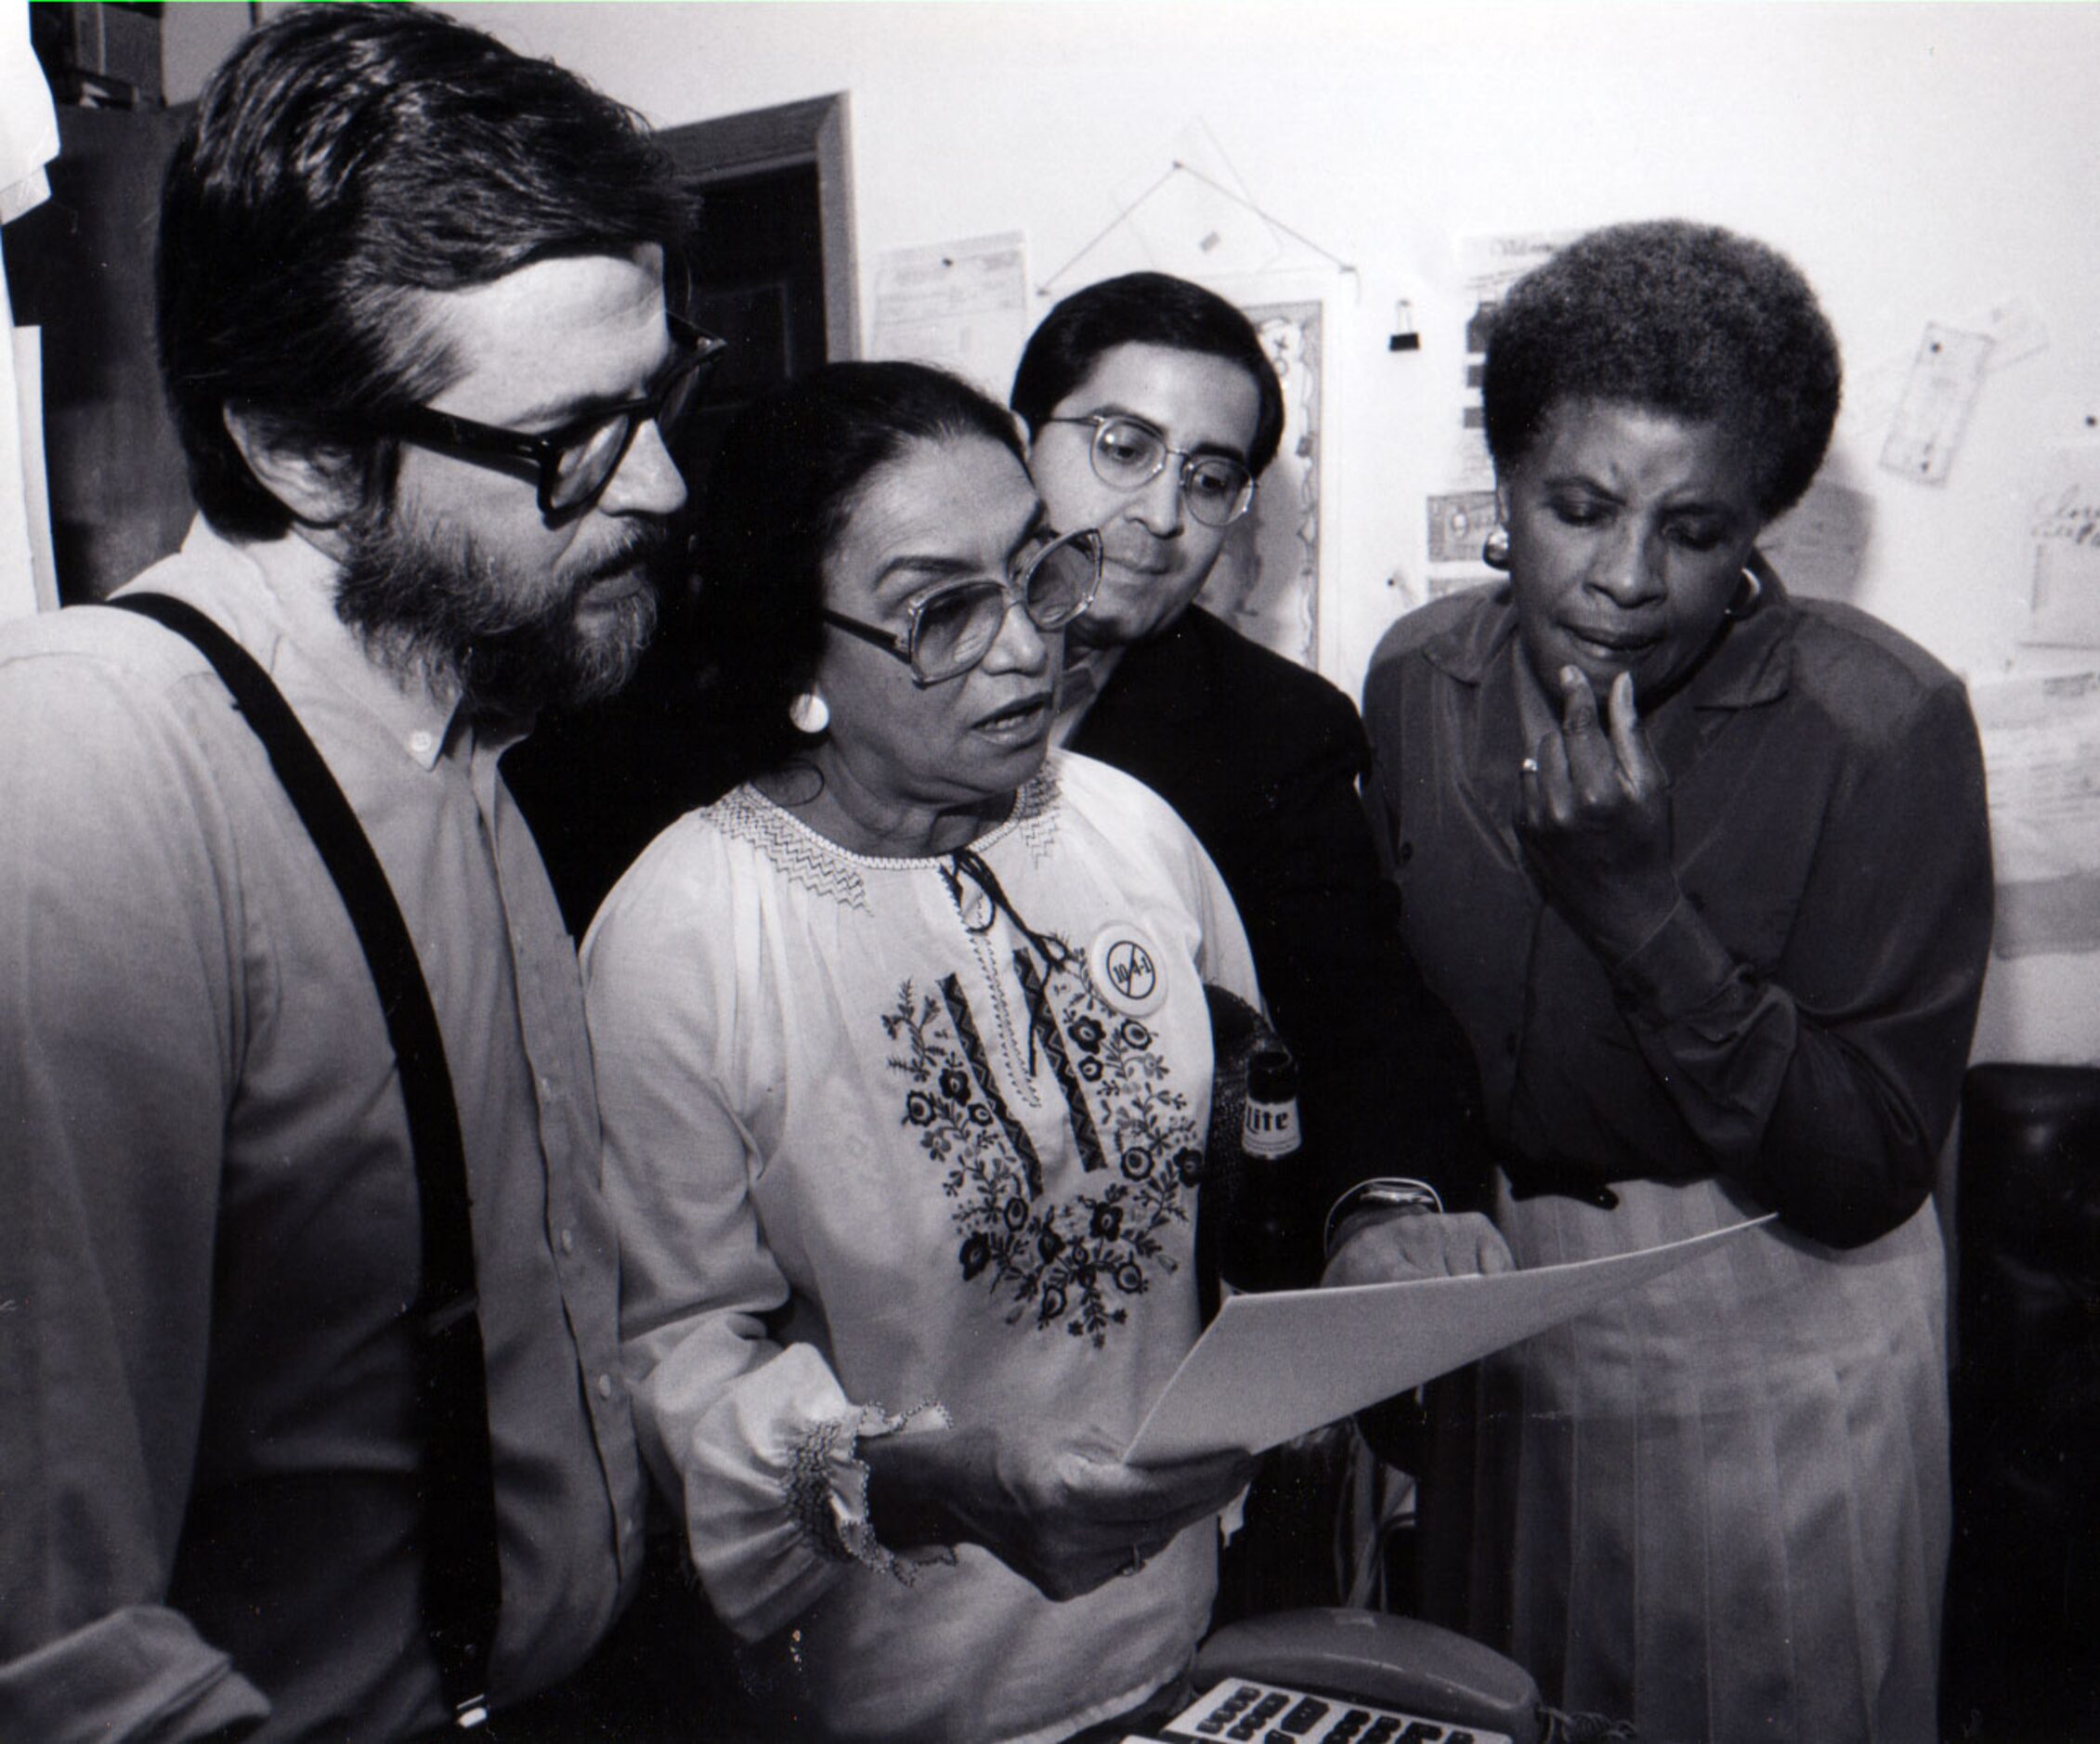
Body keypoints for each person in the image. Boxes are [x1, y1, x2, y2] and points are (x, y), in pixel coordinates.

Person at [0, 7, 706, 1738]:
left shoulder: (465, 725)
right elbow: (56, 1653)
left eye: (661, 398)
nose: (666, 484)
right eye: (573, 437)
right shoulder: (89, 788)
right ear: (302, 451)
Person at [1359, 219, 1992, 1743]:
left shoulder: (1878, 724)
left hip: (1774, 1312)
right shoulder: (1414, 682)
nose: (1628, 576)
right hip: (1508, 1311)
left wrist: (1638, 906)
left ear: (1760, 523)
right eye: (1578, 508)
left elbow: (1861, 1168)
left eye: (1697, 530)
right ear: (1502, 483)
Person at [583, 361, 1258, 1742]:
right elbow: (667, 1358)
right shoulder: (690, 928)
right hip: (889, 1682)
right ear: (798, 665)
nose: (1028, 646)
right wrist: (932, 1477)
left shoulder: (1130, 832)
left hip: (1175, 1628)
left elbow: (1236, 1160)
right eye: (941, 610)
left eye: (1034, 570)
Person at [1011, 273, 1490, 1286]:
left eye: (1210, 477)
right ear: (1020, 441)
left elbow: (1361, 1008)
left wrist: (1382, 1204)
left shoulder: (1277, 731)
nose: (1159, 513)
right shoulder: (867, 656)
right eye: (1123, 446)